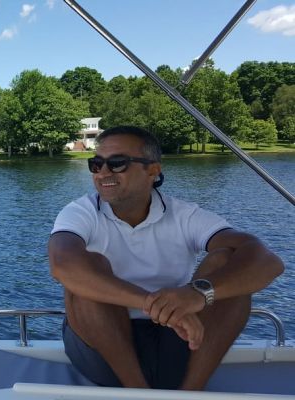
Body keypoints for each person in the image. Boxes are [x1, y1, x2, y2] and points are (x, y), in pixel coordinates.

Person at [48, 125, 284, 390]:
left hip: (180, 339)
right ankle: (137, 393)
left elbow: (268, 262)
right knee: (88, 267)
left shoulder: (185, 216)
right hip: (102, 346)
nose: (103, 172)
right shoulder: (81, 212)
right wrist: (156, 305)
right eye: (96, 164)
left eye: (117, 163)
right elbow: (62, 264)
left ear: (153, 170)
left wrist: (197, 294)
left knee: (229, 262)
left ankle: (189, 393)